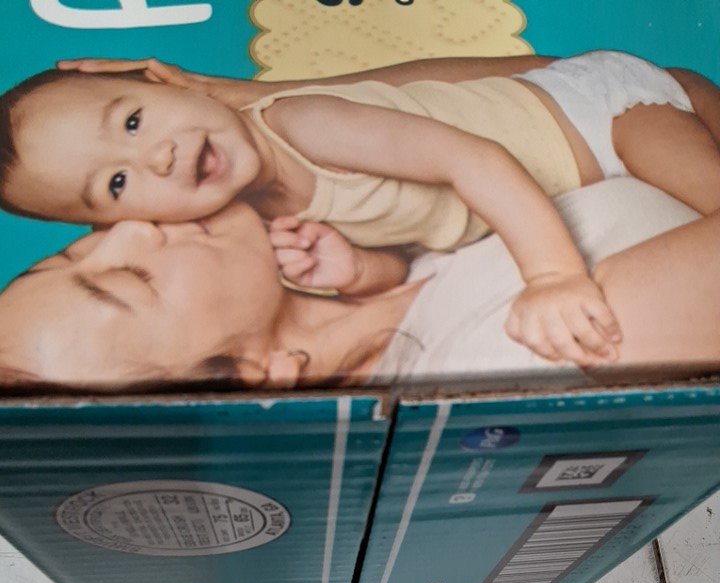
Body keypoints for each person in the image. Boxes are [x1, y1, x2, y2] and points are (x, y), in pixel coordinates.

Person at [2, 51, 720, 364]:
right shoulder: (280, 235)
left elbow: (474, 159)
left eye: (133, 120)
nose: (154, 158)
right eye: (116, 186)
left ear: (166, 84)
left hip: (609, 118)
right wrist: (357, 270)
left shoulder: (303, 124)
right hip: (582, 158)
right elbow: (411, 251)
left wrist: (553, 275)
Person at [0, 178, 718, 393]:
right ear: (253, 376)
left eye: (73, 250)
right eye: (129, 279)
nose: (129, 228)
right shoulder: (511, 361)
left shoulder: (386, 254)